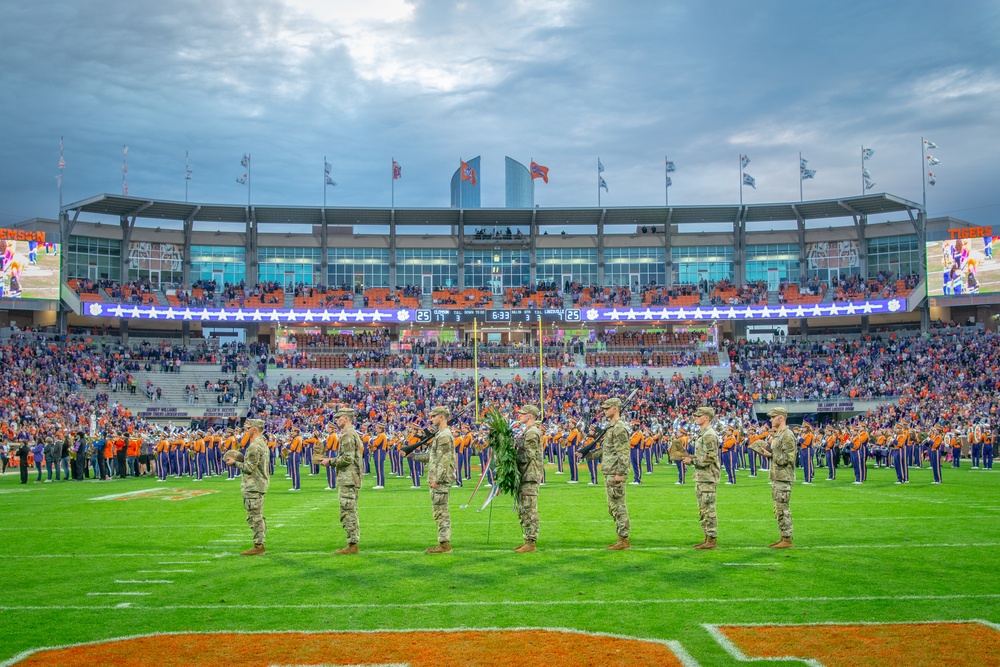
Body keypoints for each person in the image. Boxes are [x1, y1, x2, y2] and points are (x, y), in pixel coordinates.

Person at [583, 397, 631, 550]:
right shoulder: (612, 427)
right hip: (609, 472)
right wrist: (589, 455)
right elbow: (607, 450)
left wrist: (620, 473)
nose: (604, 411)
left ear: (615, 409)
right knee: (613, 507)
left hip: (615, 473)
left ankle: (624, 540)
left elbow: (623, 453)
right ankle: (621, 538)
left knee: (619, 507)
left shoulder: (619, 428)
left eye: (607, 408)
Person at [409, 406, 456, 554]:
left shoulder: (444, 436)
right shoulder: (440, 434)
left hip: (439, 481)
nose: (431, 419)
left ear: (441, 417)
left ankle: (444, 544)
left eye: (434, 416)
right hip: (436, 480)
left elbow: (444, 461)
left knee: (441, 512)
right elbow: (432, 457)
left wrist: (439, 480)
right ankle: (443, 543)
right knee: (439, 512)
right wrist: (413, 456)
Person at [318, 407, 363, 554]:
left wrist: (329, 461)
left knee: (348, 511)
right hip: (350, 477)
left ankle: (352, 544)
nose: (337, 420)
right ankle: (352, 542)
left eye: (338, 418)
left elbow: (347, 459)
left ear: (346, 418)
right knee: (348, 510)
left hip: (348, 478)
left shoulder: (348, 435)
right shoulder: (351, 433)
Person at [224, 418, 269, 556]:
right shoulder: (262, 443)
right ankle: (259, 542)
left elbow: (249, 468)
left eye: (248, 427)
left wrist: (234, 462)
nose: (245, 430)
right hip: (257, 484)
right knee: (256, 516)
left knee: (254, 517)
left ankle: (258, 546)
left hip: (253, 485)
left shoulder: (254, 446)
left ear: (254, 429)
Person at [682, 406, 720, 550]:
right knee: (703, 509)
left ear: (707, 417)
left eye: (699, 415)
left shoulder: (709, 434)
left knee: (708, 508)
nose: (696, 417)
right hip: (702, 476)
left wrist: (691, 461)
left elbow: (710, 457)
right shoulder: (703, 433)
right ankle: (707, 538)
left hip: (708, 477)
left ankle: (711, 539)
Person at [760, 407, 795, 549]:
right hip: (777, 476)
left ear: (781, 418)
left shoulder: (787, 435)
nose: (770, 419)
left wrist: (771, 455)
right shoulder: (779, 434)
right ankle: (783, 537)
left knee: (783, 508)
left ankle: (787, 539)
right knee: (778, 509)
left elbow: (789, 458)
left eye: (773, 417)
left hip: (783, 477)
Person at [514, 404, 544, 553]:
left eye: (523, 413)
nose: (520, 415)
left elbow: (528, 455)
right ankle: (527, 539)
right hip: (525, 475)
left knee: (529, 509)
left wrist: (512, 457)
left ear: (530, 416)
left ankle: (531, 542)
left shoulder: (532, 432)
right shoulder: (527, 431)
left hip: (530, 475)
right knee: (524, 509)